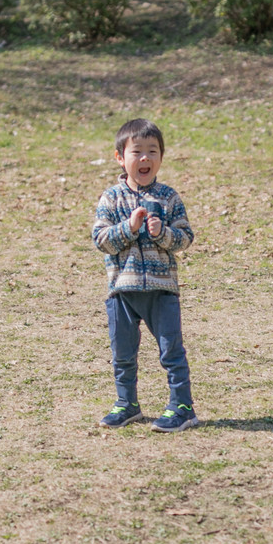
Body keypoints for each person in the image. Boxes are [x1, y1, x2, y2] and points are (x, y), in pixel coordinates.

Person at [91, 118, 198, 432]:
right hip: (122, 291)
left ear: (161, 158)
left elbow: (185, 238)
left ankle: (182, 406)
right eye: (137, 152)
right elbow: (101, 240)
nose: (145, 159)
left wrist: (161, 232)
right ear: (120, 157)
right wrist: (130, 227)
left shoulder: (169, 197)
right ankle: (127, 404)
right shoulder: (112, 198)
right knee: (122, 353)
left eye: (153, 151)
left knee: (171, 351)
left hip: (162, 290)